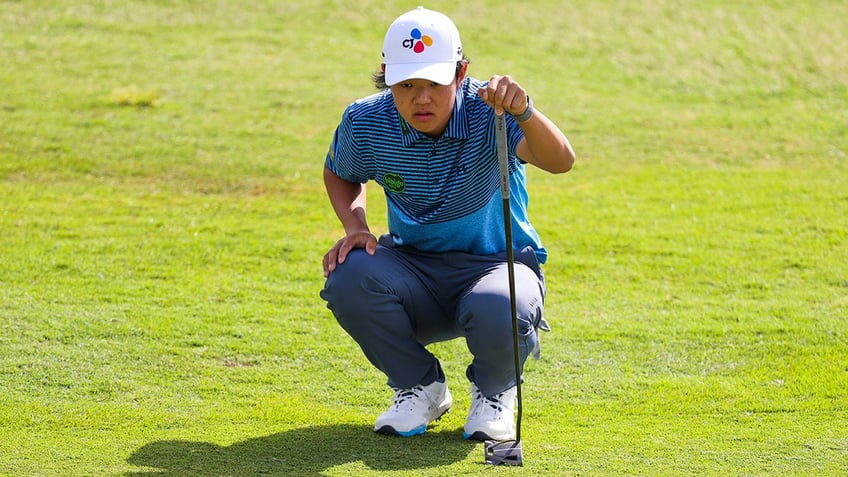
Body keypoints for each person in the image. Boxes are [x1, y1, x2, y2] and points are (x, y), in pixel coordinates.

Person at [320, 6, 575, 441]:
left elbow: (561, 161)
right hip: (413, 270)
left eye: (435, 83)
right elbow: (341, 172)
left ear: (461, 73)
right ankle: (420, 387)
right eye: (407, 84)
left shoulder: (491, 112)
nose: (422, 98)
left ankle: (495, 392)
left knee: (502, 301)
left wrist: (526, 112)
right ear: (386, 75)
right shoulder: (366, 120)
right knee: (349, 276)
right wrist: (355, 226)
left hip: (495, 267)